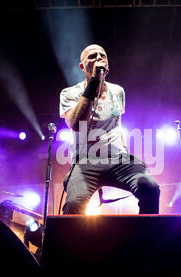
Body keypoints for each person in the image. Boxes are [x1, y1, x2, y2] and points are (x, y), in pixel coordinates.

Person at [59, 44, 160, 215]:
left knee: (150, 187)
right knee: (74, 204)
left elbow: (116, 124)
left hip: (118, 158)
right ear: (82, 67)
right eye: (92, 56)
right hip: (85, 162)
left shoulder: (118, 91)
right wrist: (93, 83)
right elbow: (76, 124)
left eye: (102, 55)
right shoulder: (70, 93)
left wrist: (125, 151)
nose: (99, 58)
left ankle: (146, 238)